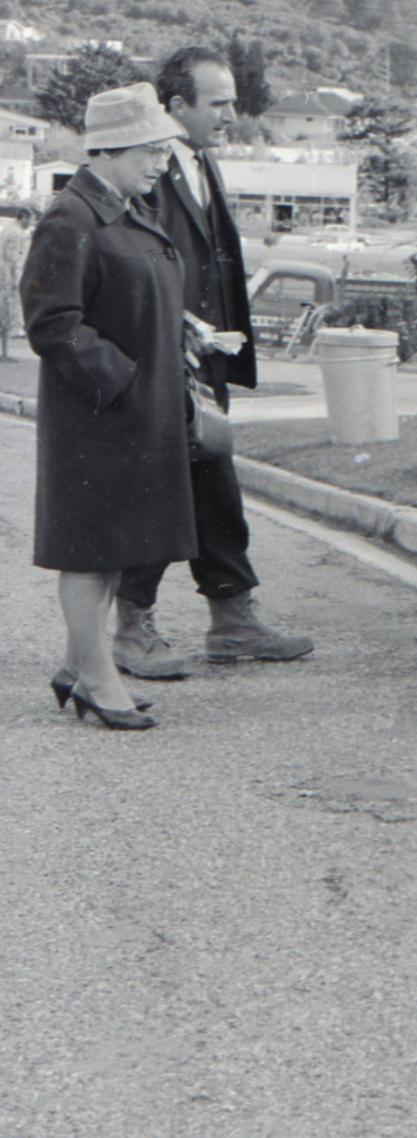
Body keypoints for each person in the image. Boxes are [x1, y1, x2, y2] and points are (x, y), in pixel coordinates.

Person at [113, 46, 313, 680]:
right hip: (163, 361)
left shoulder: (201, 162)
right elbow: (134, 263)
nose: (232, 114)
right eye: (219, 103)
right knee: (159, 491)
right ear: (176, 105)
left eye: (233, 101)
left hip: (204, 364)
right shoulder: (149, 168)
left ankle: (233, 620)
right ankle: (130, 629)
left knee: (214, 487)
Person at [21, 86, 198, 731]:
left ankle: (78, 665)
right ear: (109, 149)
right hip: (98, 416)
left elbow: (134, 296)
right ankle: (98, 680)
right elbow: (52, 321)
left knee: (113, 547)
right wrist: (120, 380)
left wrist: (182, 332)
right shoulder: (72, 216)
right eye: (151, 151)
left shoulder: (126, 211)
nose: (161, 164)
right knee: (89, 552)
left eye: (164, 151)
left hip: (134, 410)